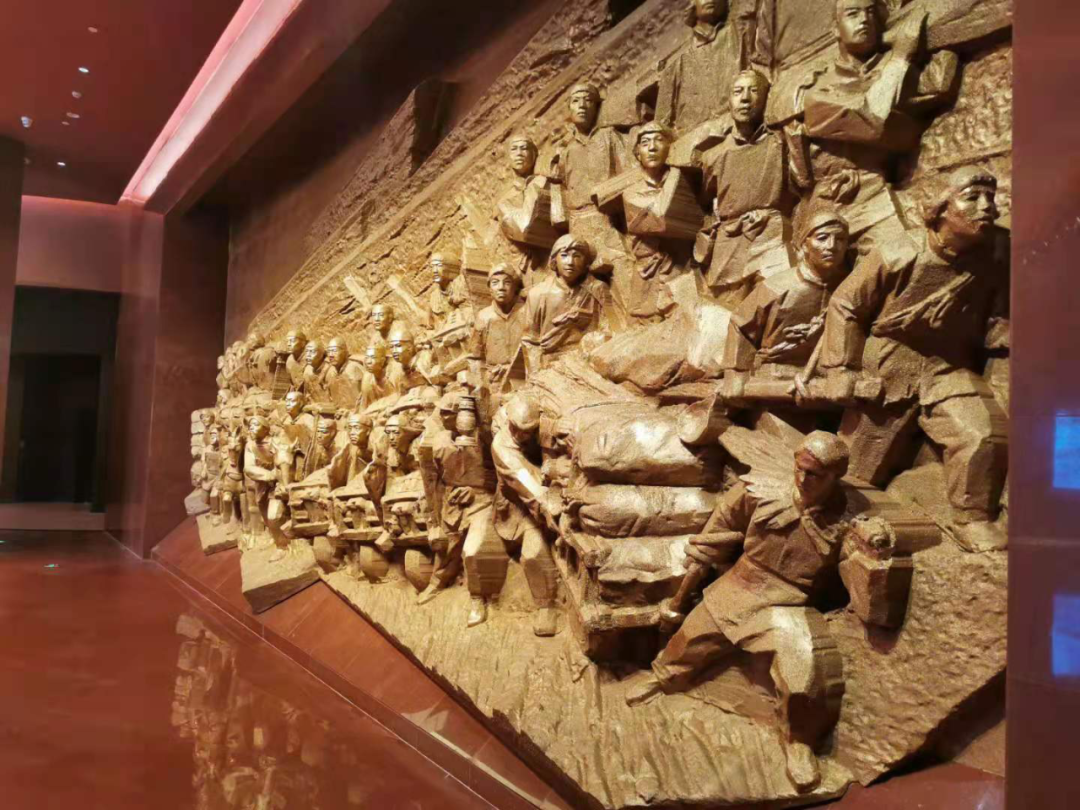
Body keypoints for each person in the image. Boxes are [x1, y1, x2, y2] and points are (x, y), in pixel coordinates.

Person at [628, 431, 855, 791]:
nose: (802, 478)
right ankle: (664, 678)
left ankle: (798, 742)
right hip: (743, 581)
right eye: (799, 468)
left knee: (801, 671)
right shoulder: (757, 491)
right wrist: (704, 556)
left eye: (815, 474)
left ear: (835, 476)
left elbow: (855, 567)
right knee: (692, 637)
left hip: (788, 602)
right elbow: (721, 527)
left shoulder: (846, 519)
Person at [812, 166, 1009, 552]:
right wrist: (840, 369)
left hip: (948, 365)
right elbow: (846, 305)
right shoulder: (899, 252)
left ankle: (972, 518)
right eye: (972, 197)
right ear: (941, 208)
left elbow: (1000, 314)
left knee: (981, 432)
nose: (986, 206)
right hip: (890, 364)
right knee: (854, 473)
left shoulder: (997, 252)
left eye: (990, 197)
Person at [797, 0, 956, 253]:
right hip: (833, 203)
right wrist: (901, 56)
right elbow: (873, 121)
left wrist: (948, 33)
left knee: (914, 252)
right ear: (835, 28)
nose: (864, 19)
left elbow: (938, 86)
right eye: (853, 13)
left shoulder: (890, 73)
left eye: (870, 12)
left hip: (878, 194)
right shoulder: (818, 91)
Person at [698, 69, 811, 304]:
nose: (745, 98)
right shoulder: (713, 157)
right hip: (729, 243)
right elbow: (707, 201)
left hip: (773, 235)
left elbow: (803, 182)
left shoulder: (780, 142)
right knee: (723, 313)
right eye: (737, 92)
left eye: (754, 90)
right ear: (729, 101)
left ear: (766, 97)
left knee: (782, 301)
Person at [720, 205, 852, 397]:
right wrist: (735, 374)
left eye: (840, 239)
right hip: (774, 374)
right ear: (805, 245)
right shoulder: (778, 286)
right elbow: (740, 324)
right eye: (822, 238)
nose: (832, 246)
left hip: (821, 377)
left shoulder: (849, 288)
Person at [487, 394, 561, 636]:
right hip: (517, 505)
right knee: (533, 552)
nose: (520, 435)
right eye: (516, 428)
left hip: (548, 488)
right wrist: (547, 504)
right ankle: (546, 605)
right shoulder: (502, 445)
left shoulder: (546, 423)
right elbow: (524, 480)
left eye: (527, 431)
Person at [521, 235, 607, 374]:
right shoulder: (538, 293)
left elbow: (608, 330)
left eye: (577, 256)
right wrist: (536, 374)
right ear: (554, 260)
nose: (570, 262)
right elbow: (530, 340)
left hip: (587, 362)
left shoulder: (597, 289)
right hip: (549, 365)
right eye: (564, 255)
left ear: (586, 262)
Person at [492, 136, 557, 287]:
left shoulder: (545, 180)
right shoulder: (505, 199)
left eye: (524, 148)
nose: (519, 153)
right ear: (508, 158)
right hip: (526, 267)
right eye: (514, 149)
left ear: (534, 155)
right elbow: (521, 229)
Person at [470, 263, 527, 386]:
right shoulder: (483, 317)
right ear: (490, 289)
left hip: (524, 378)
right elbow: (475, 357)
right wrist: (480, 382)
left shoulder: (526, 312)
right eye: (495, 283)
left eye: (507, 283)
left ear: (515, 288)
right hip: (493, 379)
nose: (501, 287)